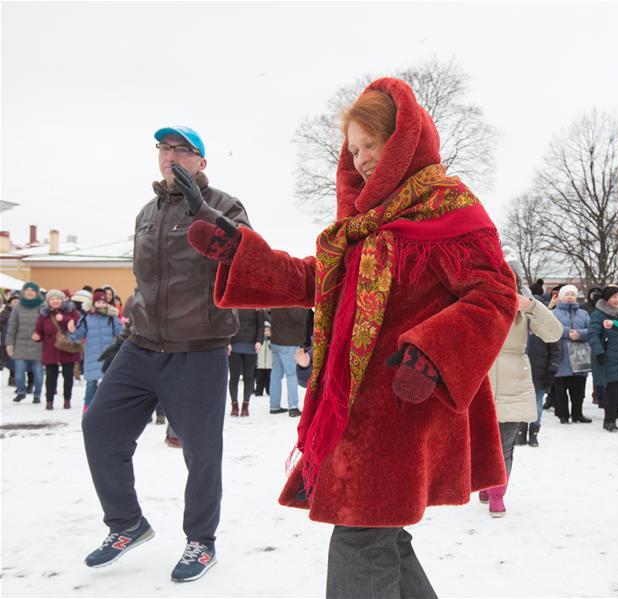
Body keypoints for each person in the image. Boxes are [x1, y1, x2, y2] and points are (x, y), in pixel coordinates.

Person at [185, 78, 517, 597]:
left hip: (404, 401)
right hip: (351, 405)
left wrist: (432, 353)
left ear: (402, 141)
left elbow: (495, 295)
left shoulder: (451, 209)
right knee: (378, 533)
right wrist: (240, 252)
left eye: (371, 144)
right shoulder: (362, 225)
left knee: (361, 533)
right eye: (354, 149)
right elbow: (317, 280)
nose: (360, 159)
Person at [80, 126, 251, 582]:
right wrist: (127, 332)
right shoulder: (147, 213)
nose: (170, 155)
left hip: (198, 348)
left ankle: (201, 540)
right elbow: (146, 282)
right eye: (164, 147)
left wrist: (202, 211)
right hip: (141, 346)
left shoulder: (226, 205)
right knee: (99, 427)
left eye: (182, 149)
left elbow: (246, 257)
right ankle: (126, 523)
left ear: (201, 162)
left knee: (201, 450)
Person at [483, 257, 562, 516]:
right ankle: (485, 483)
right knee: (480, 445)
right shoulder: (473, 301)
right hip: (480, 381)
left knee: (505, 444)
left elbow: (554, 333)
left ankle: (497, 494)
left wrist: (531, 306)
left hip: (513, 380)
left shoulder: (524, 307)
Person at [67, 290, 122, 412]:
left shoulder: (112, 318)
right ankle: (87, 410)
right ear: (93, 303)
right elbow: (78, 336)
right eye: (98, 302)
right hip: (92, 357)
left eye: (103, 302)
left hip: (109, 357)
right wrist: (72, 331)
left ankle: (107, 410)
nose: (101, 304)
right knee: (91, 385)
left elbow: (120, 333)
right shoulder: (86, 318)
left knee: (108, 385)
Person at [588, 286, 618, 432]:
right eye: (614, 297)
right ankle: (609, 420)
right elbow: (593, 334)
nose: (617, 300)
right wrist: (599, 352)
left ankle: (613, 417)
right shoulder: (599, 314)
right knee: (611, 389)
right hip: (607, 356)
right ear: (607, 299)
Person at [551, 285, 593, 424]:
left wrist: (580, 334)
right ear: (561, 297)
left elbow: (592, 330)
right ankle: (563, 415)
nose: (570, 297)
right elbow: (551, 328)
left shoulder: (584, 314)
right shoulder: (554, 313)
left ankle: (577, 414)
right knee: (561, 390)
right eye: (567, 294)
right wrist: (567, 332)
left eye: (572, 294)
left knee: (578, 390)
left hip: (580, 355)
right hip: (561, 354)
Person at [32, 289, 81, 409]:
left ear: (63, 300)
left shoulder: (71, 311)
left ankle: (67, 400)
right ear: (48, 301)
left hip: (67, 348)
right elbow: (39, 330)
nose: (55, 301)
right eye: (52, 299)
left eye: (58, 298)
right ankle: (49, 401)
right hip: (51, 349)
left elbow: (78, 324)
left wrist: (64, 319)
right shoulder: (44, 315)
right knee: (50, 376)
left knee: (68, 375)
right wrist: (37, 337)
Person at [525, 318, 561, 447]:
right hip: (521, 372)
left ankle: (533, 433)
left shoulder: (546, 325)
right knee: (521, 403)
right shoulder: (519, 325)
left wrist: (552, 370)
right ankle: (521, 432)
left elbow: (555, 351)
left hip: (541, 373)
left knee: (537, 404)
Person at [268, 307, 310, 416]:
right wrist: (306, 306)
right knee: (292, 374)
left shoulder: (276, 298)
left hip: (276, 339)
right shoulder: (291, 299)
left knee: (276, 374)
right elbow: (297, 316)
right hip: (289, 342)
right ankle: (293, 407)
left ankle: (274, 405)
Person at [6, 282, 43, 403]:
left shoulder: (42, 307)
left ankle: (37, 395)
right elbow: (12, 326)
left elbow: (46, 326)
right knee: (19, 373)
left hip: (38, 345)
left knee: (38, 374)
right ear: (23, 292)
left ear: (36, 293)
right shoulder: (18, 307)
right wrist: (9, 344)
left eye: (32, 290)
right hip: (20, 346)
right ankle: (21, 392)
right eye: (27, 290)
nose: (29, 292)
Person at [228, 308, 264, 417]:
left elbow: (260, 325)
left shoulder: (256, 305)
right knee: (234, 377)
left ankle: (245, 405)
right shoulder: (232, 304)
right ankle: (234, 405)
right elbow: (228, 323)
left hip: (251, 346)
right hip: (234, 345)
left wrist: (259, 341)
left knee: (249, 377)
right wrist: (227, 342)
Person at [254, 321, 273, 396]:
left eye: (268, 330)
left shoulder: (272, 341)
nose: (266, 332)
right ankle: (259, 391)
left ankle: (269, 390)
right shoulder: (259, 341)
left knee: (269, 379)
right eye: (264, 331)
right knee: (259, 379)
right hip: (260, 365)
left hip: (270, 365)